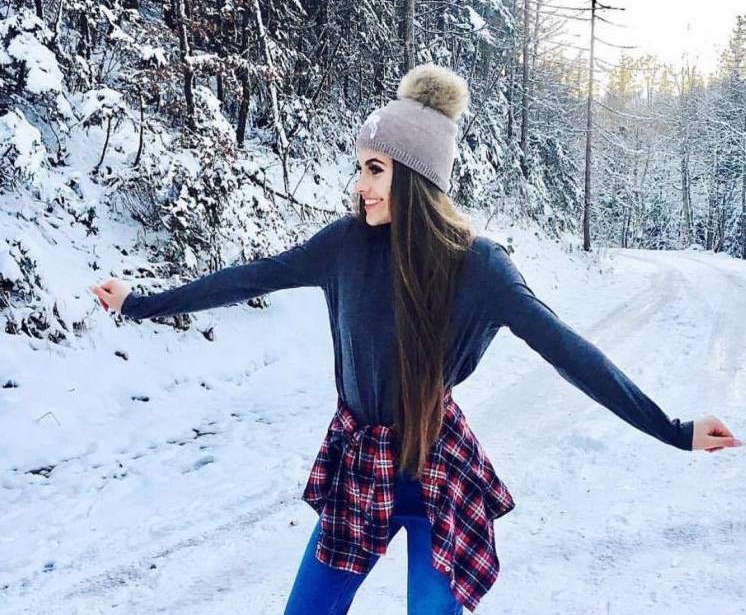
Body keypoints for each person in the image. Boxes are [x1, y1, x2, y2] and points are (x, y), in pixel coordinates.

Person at [91, 63, 741, 614]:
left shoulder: (480, 267)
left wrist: (673, 430)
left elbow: (570, 352)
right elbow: (250, 276)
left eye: (374, 169)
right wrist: (140, 303)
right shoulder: (344, 246)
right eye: (359, 168)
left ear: (414, 175)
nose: (360, 185)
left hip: (438, 474)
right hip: (359, 469)